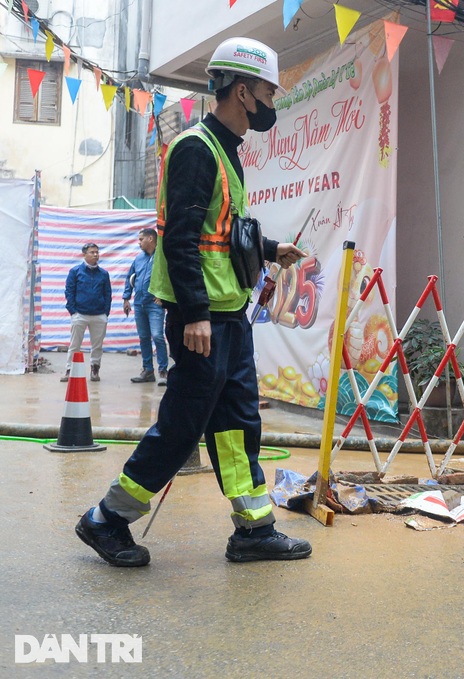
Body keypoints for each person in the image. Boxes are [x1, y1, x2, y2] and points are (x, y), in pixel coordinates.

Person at [76, 37, 310, 567]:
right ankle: (106, 520)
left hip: (230, 316)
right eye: (269, 92)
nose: (273, 103)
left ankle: (254, 530)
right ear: (243, 91)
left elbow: (224, 232)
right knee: (182, 427)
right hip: (202, 318)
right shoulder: (194, 149)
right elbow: (180, 239)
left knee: (237, 424)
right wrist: (196, 316)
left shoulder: (229, 153)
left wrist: (271, 250)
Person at [124, 228, 169, 385]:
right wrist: (126, 298)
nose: (139, 242)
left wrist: (163, 296)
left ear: (151, 239)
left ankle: (163, 371)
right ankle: (148, 371)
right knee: (144, 337)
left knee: (157, 335)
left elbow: (168, 277)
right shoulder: (138, 259)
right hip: (139, 303)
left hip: (154, 304)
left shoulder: (162, 257)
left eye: (141, 239)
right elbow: (130, 277)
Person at [62, 242, 112, 383]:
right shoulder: (75, 272)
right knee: (75, 345)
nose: (95, 254)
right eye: (92, 252)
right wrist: (73, 311)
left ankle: (95, 369)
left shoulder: (104, 274)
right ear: (84, 254)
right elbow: (69, 292)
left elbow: (107, 294)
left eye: (97, 252)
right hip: (80, 315)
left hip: (99, 315)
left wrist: (105, 313)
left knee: (97, 346)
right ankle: (69, 370)